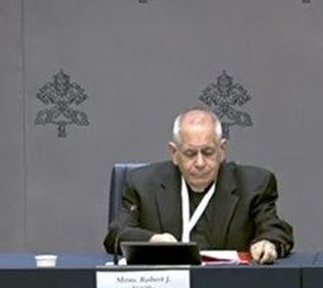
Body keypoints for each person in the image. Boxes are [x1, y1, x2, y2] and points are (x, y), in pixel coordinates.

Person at [104, 107, 293, 263]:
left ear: (222, 150)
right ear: (174, 153)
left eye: (208, 152)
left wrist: (268, 242)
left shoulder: (253, 184)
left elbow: (275, 229)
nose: (200, 162)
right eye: (190, 154)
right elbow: (116, 233)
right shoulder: (143, 183)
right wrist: (153, 241)